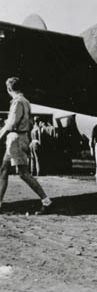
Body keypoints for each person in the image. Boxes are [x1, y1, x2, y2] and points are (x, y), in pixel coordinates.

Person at [0, 77, 52, 213]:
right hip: (19, 138)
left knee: (24, 174)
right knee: (3, 171)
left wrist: (0, 134)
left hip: (16, 140)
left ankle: (46, 201)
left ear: (9, 89)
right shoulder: (26, 101)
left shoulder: (17, 102)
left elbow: (11, 123)